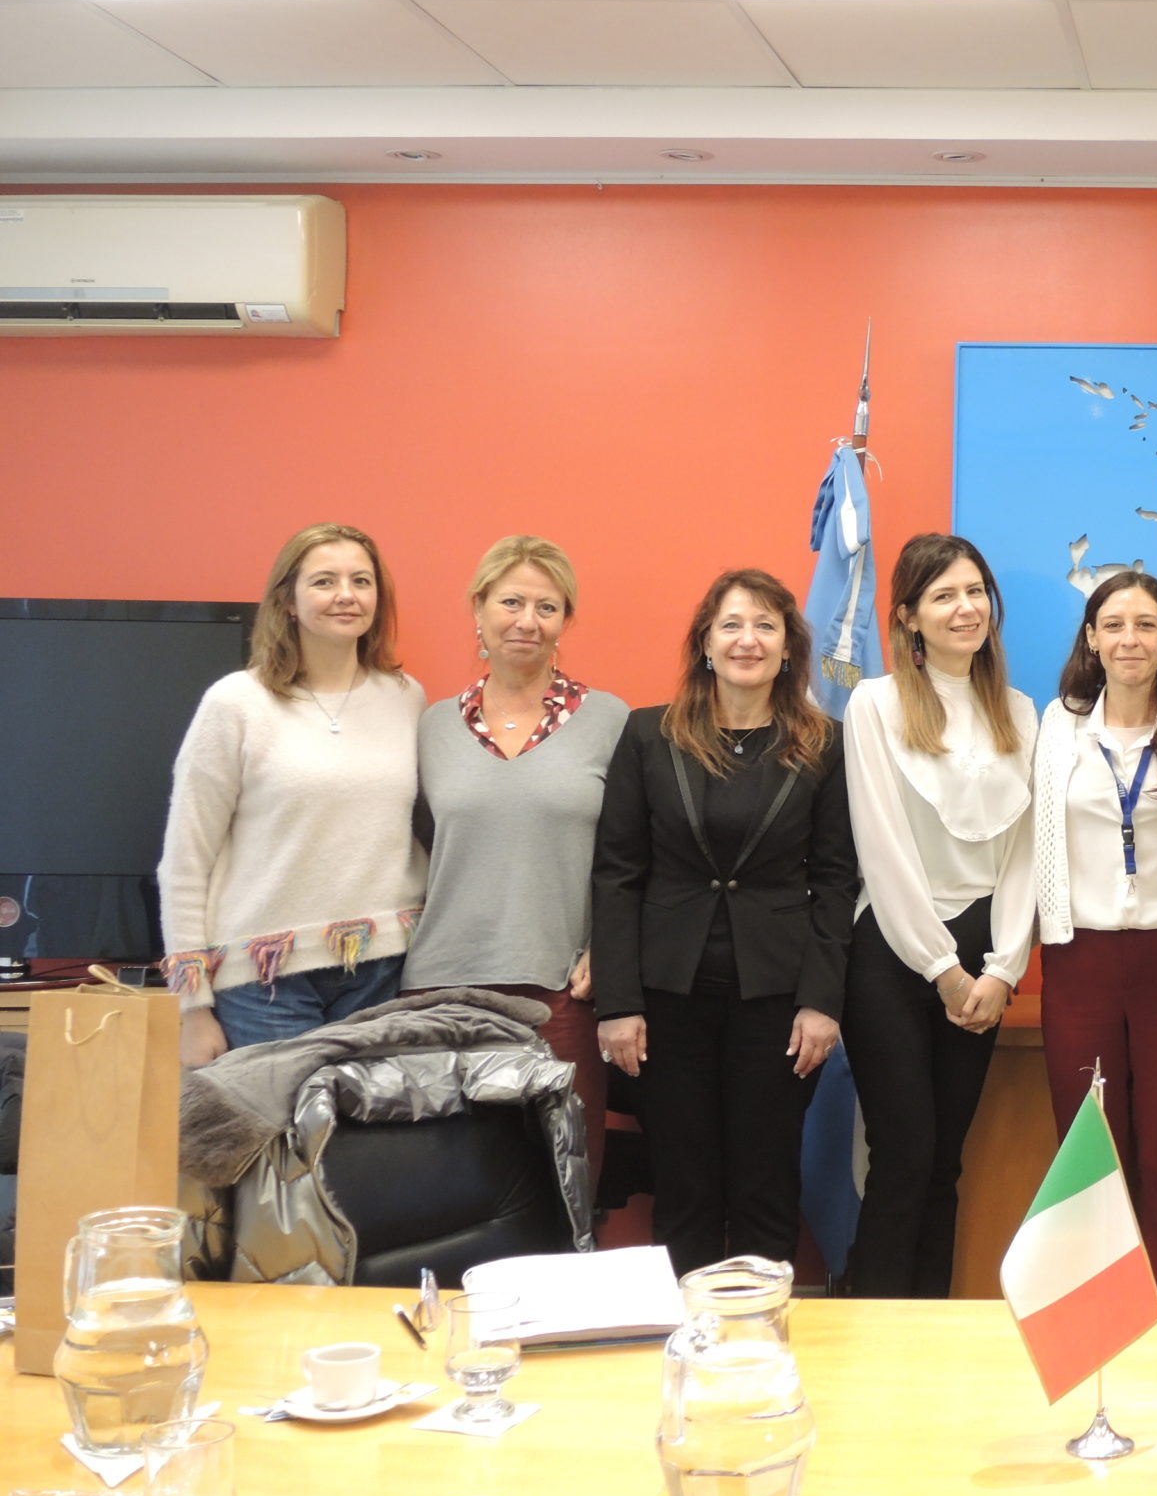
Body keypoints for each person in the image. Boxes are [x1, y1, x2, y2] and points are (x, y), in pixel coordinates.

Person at [590, 568, 856, 1279]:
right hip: (666, 998)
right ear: (705, 643)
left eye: (766, 626)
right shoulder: (648, 734)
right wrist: (617, 1002)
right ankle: (691, 1330)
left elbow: (836, 881)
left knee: (766, 1184)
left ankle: (761, 1331)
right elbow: (616, 874)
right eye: (732, 624)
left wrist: (822, 1000)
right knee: (684, 1186)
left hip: (777, 1000)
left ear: (789, 648)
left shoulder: (822, 743)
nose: (748, 640)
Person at [841, 534, 1038, 1297]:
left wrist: (1003, 969)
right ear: (909, 616)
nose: (965, 608)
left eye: (975, 592)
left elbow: (1024, 854)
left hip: (984, 957)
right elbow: (882, 847)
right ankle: (874, 1330)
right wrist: (942, 969)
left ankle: (930, 1332)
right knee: (903, 1155)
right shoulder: (875, 704)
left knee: (945, 1160)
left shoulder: (1019, 712)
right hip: (893, 951)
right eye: (944, 595)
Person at [406, 536, 631, 1194]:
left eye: (546, 607)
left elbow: (635, 855)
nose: (527, 621)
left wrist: (611, 944)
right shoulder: (432, 727)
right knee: (448, 1192)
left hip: (560, 990)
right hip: (441, 989)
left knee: (564, 1185)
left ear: (565, 621)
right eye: (510, 602)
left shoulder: (610, 720)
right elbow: (417, 848)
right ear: (478, 609)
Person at [1030, 571, 1157, 1297]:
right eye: (1113, 625)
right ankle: (1092, 1309)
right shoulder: (1058, 726)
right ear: (1091, 638)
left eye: (1147, 624)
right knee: (1088, 1152)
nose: (1129, 640)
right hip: (1078, 963)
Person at [161, 523, 427, 1066]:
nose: (346, 595)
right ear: (287, 600)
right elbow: (186, 860)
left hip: (382, 972)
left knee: (368, 1125)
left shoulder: (406, 698)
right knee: (279, 1124)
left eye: (361, 581)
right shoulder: (236, 703)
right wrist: (192, 1008)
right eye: (324, 581)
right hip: (264, 983)